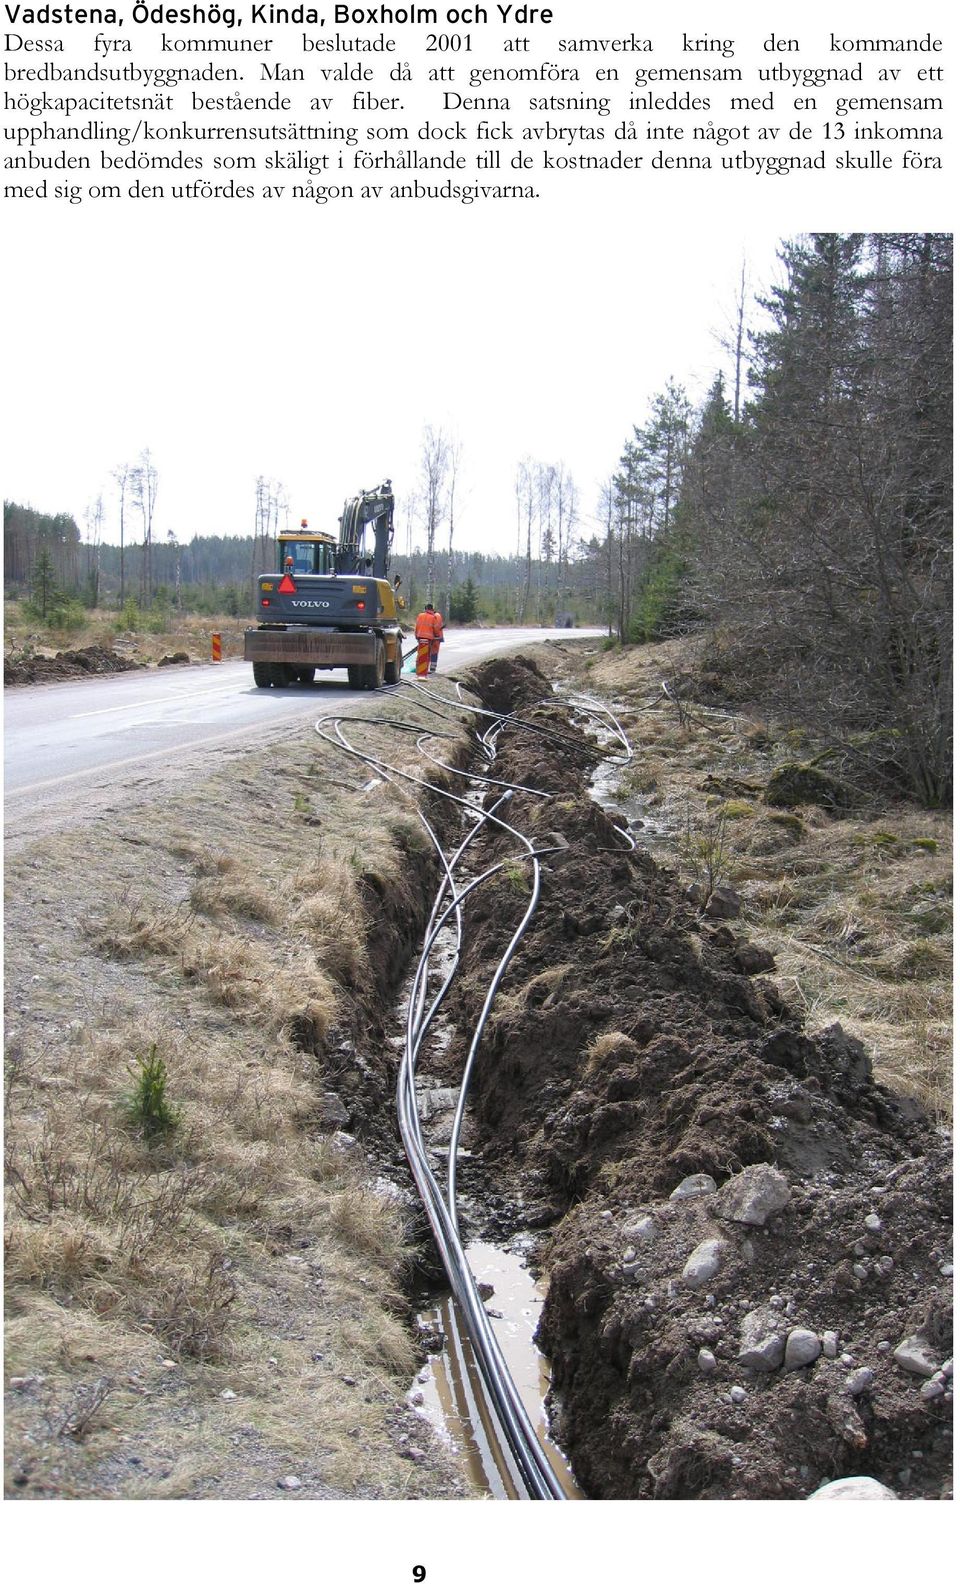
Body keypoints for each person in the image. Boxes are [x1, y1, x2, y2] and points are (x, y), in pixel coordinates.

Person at [414, 602, 444, 676]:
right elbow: (436, 628)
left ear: (425, 609)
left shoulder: (420, 615)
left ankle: (418, 668)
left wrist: (416, 636)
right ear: (432, 609)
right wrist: (436, 635)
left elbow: (416, 626)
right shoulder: (433, 617)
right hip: (430, 638)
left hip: (420, 636)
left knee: (421, 653)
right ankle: (428, 669)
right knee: (428, 654)